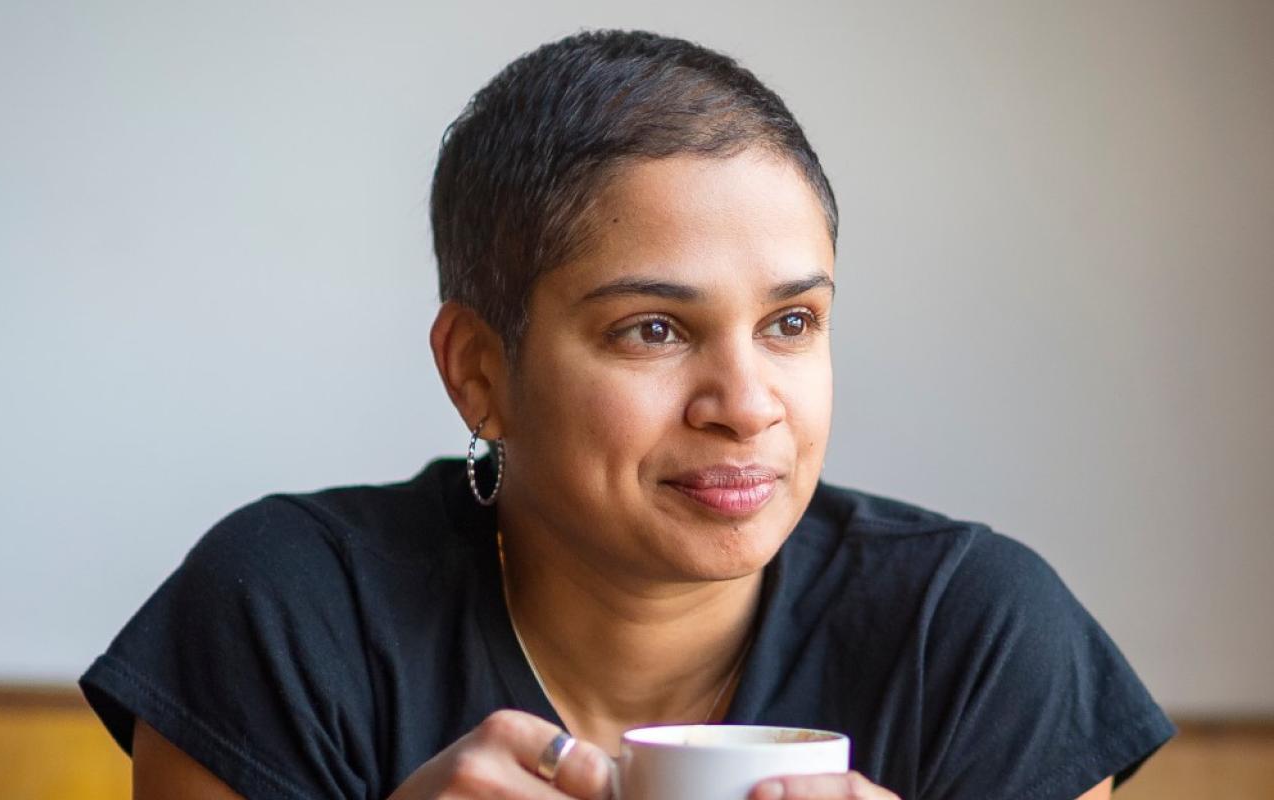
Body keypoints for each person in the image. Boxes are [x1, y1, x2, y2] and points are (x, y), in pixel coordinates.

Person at [81, 29, 1174, 800]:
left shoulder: (972, 629)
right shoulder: (287, 610)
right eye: (651, 328)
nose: (746, 406)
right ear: (478, 372)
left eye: (790, 322)